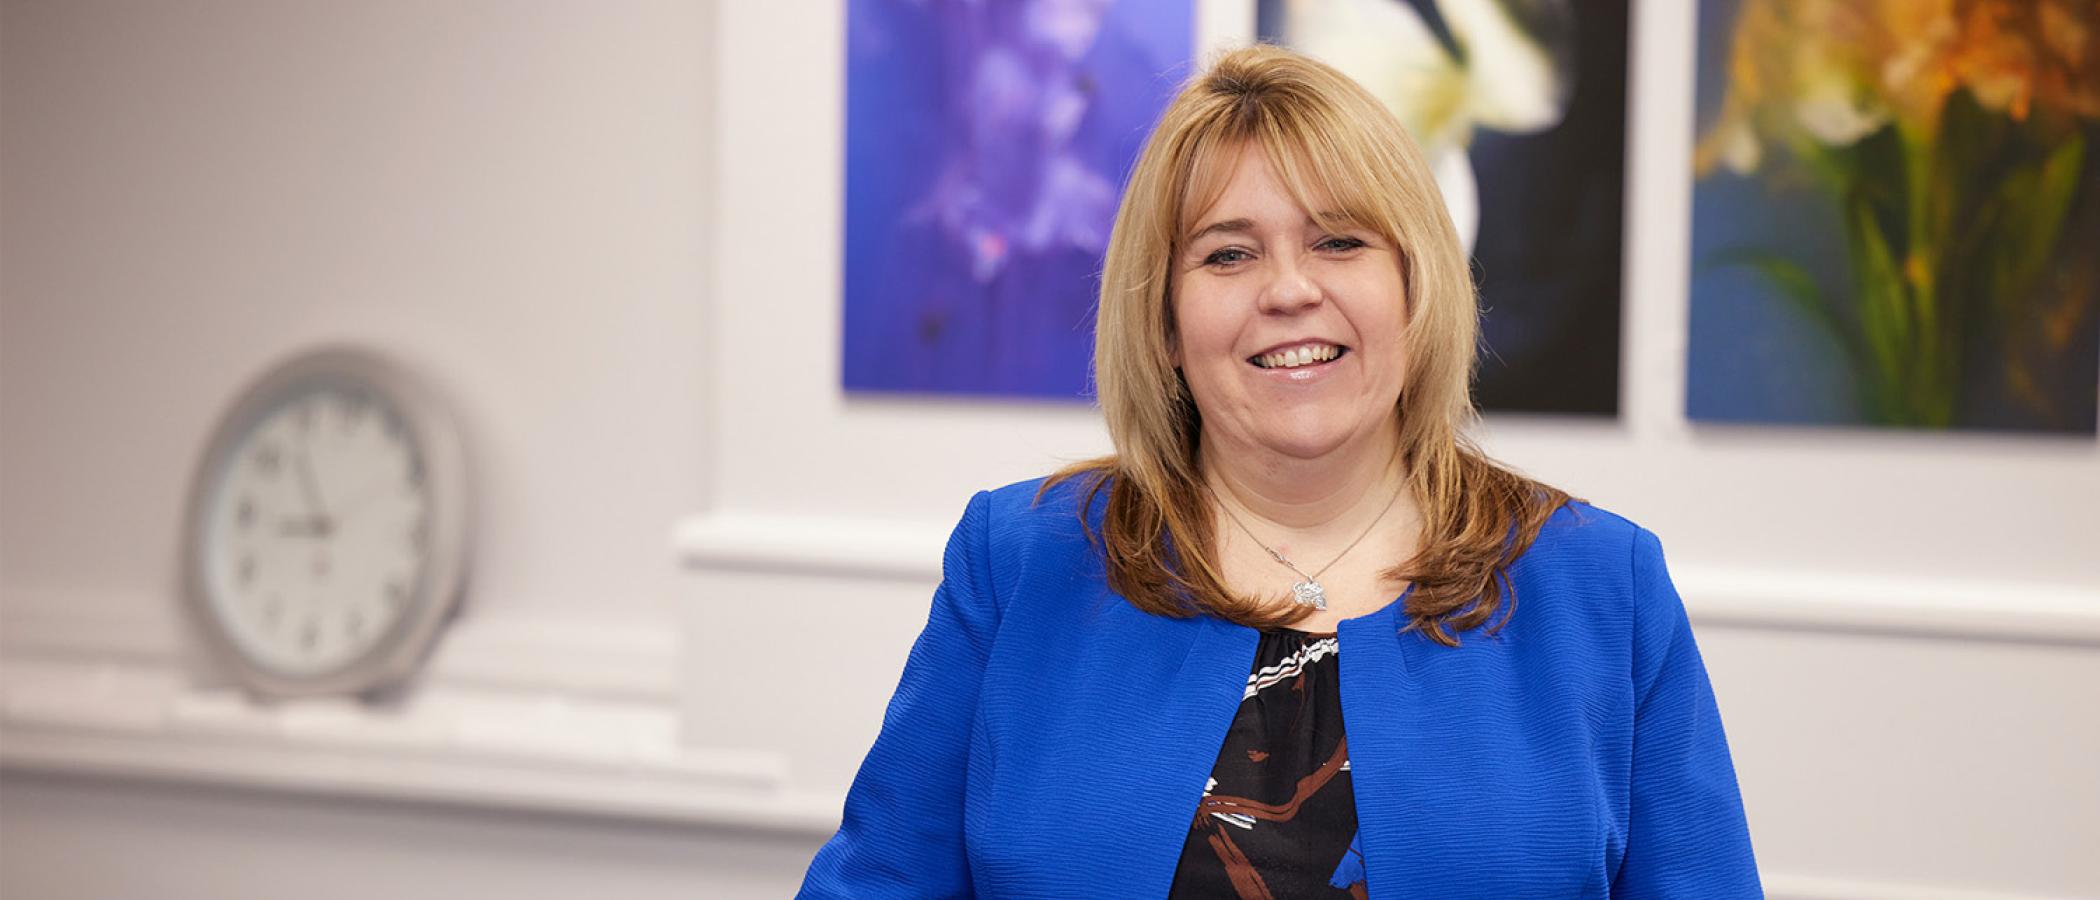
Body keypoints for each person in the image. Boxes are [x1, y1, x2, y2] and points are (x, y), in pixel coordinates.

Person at [800, 44, 1760, 898]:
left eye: (1340, 241)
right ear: (1165, 321)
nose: (1291, 290)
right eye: (1229, 254)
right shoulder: (1020, 562)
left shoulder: (1601, 587)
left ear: (1414, 285)